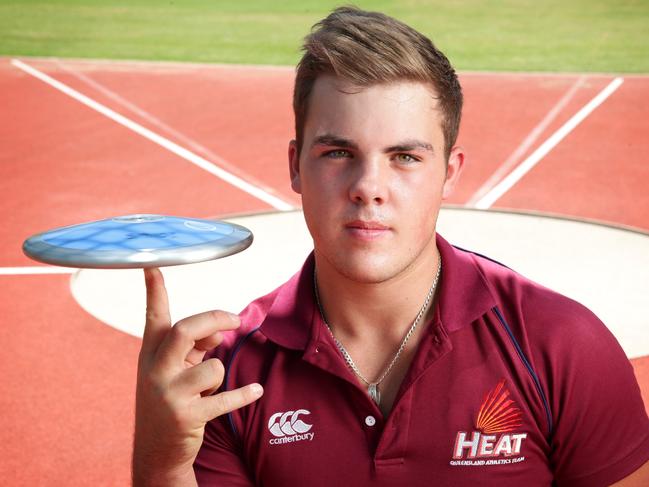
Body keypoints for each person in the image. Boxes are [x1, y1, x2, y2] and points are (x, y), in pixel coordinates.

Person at [132, 6, 649, 486]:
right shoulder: (229, 376)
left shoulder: (562, 346)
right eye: (338, 152)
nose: (368, 186)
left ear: (449, 173)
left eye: (404, 157)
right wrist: (163, 460)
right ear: (296, 166)